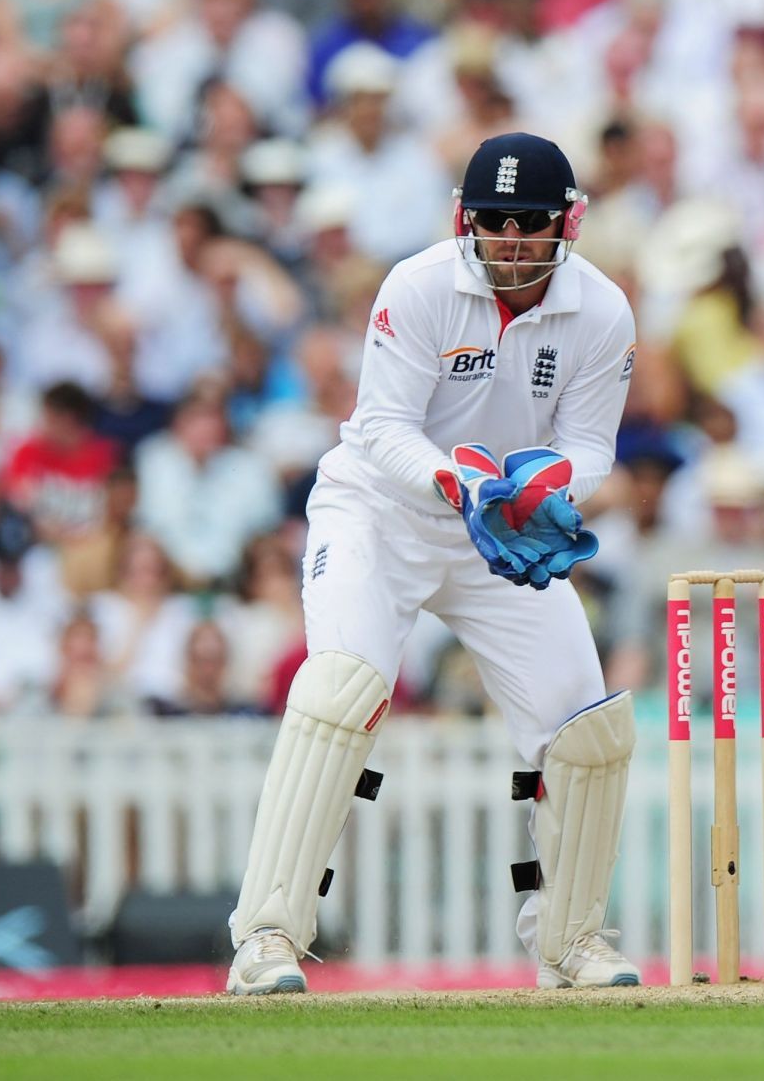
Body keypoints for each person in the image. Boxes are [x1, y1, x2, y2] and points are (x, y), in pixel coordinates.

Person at [227, 133, 639, 995]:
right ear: (465, 218)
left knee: (588, 730)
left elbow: (590, 447)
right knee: (342, 689)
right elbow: (381, 429)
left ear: (572, 223)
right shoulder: (416, 287)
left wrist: (547, 487)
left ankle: (569, 942)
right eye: (494, 222)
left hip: (500, 535)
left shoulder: (602, 312)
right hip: (383, 510)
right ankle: (267, 935)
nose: (512, 241)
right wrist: (462, 481)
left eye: (531, 224)